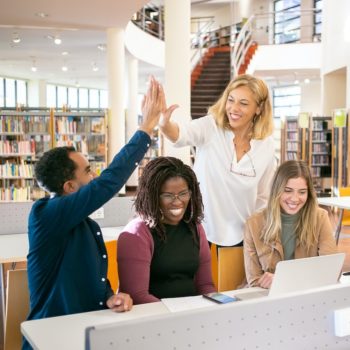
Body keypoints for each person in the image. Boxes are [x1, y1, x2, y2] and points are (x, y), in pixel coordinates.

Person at [23, 77, 163, 349]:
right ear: (69, 186)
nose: (95, 176)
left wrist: (109, 297)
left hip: (86, 332)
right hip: (51, 339)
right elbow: (107, 184)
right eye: (88, 171)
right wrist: (145, 129)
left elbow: (90, 276)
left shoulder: (85, 224)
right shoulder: (45, 215)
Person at [159, 74, 276, 248]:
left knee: (233, 277)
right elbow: (181, 134)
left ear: (258, 109)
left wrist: (256, 232)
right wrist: (164, 124)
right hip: (200, 229)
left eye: (243, 103)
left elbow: (264, 197)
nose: (234, 108)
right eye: (231, 100)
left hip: (242, 235)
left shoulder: (266, 145)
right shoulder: (211, 127)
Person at [117, 156, 216, 304]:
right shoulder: (136, 233)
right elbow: (137, 296)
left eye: (183, 194)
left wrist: (220, 304)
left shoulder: (195, 227)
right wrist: (177, 315)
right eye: (168, 195)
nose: (177, 202)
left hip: (190, 314)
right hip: (154, 319)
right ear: (152, 196)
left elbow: (205, 285)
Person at [243, 160, 338, 288]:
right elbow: (254, 281)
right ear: (277, 190)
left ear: (308, 193)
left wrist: (283, 280)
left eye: (302, 192)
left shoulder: (320, 218)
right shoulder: (253, 223)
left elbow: (330, 270)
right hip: (268, 297)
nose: (294, 198)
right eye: (288, 190)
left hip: (308, 295)